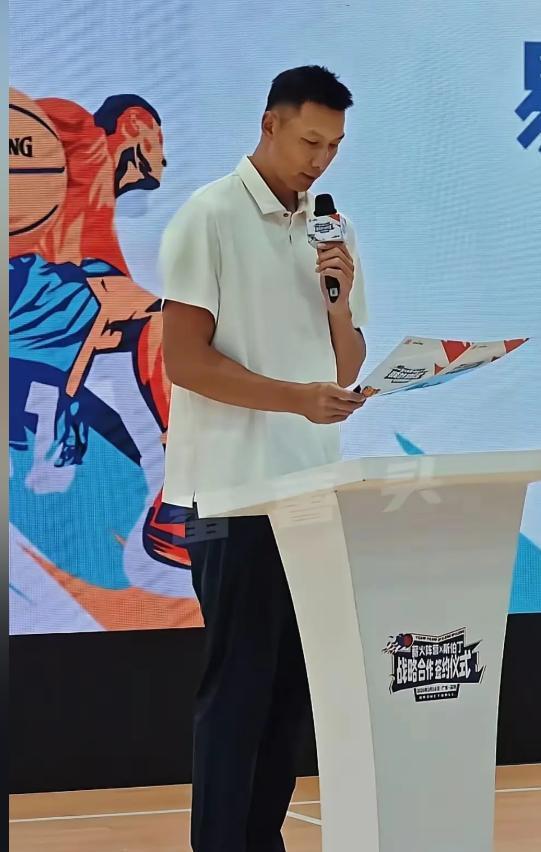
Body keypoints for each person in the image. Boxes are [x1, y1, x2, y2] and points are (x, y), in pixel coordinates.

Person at [160, 65, 368, 852]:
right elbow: (185, 361)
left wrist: (338, 299)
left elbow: (345, 364)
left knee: (290, 695)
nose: (320, 159)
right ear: (270, 124)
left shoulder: (332, 230)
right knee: (238, 690)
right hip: (232, 494)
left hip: (313, 489)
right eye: (310, 140)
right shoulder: (208, 216)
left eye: (334, 146)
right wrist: (296, 398)